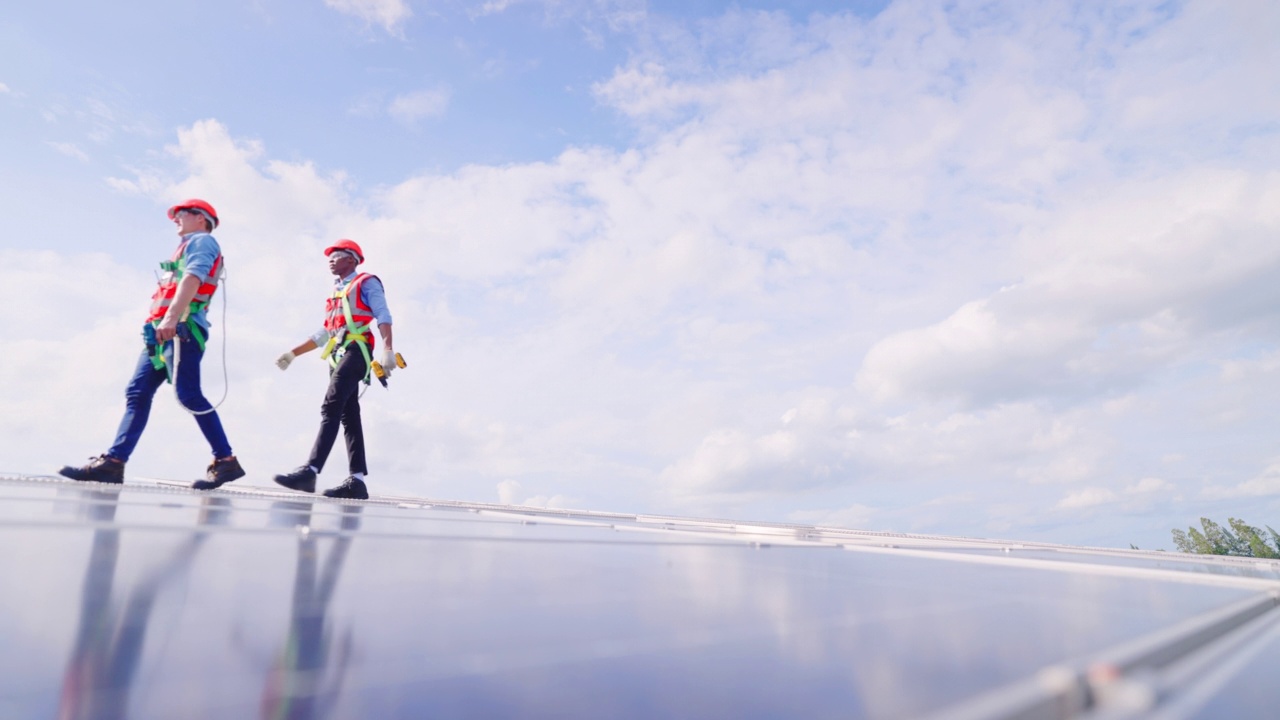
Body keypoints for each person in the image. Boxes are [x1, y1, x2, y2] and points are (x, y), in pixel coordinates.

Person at [59, 200, 245, 490]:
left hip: (180, 328)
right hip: (161, 332)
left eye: (180, 214)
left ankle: (226, 461)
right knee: (137, 391)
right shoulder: (186, 245)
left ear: (201, 218)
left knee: (189, 395)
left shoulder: (203, 241)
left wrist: (171, 318)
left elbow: (193, 279)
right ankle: (114, 462)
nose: (175, 219)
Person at [272, 239, 395, 500]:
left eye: (337, 255)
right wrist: (293, 353)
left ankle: (310, 471)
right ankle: (357, 481)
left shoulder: (366, 282)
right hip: (339, 354)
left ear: (352, 259)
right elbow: (325, 332)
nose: (330, 259)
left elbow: (383, 314)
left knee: (331, 405)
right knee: (348, 414)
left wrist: (388, 349)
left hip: (357, 352)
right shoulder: (337, 293)